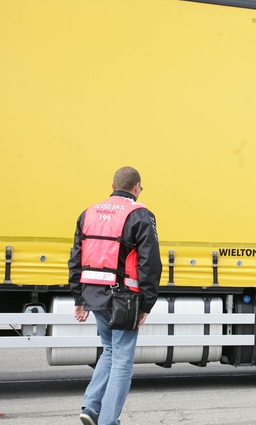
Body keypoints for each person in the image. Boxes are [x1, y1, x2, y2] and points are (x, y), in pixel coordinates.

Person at [69, 166, 162, 425]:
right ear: (137, 187)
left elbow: (75, 258)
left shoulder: (88, 213)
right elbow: (150, 263)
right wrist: (147, 304)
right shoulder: (140, 214)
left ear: (112, 186)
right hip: (124, 298)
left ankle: (91, 407)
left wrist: (79, 298)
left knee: (109, 350)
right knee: (121, 360)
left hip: (94, 294)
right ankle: (108, 421)